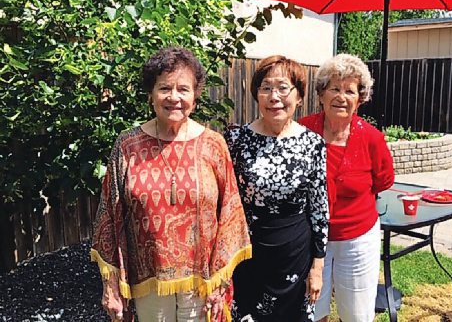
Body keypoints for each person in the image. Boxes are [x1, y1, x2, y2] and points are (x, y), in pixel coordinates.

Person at [91, 46, 252, 322]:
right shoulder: (128, 145)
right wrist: (111, 285)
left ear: (196, 96)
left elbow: (231, 214)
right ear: (151, 94)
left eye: (183, 89)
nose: (174, 97)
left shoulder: (214, 144)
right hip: (147, 282)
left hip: (202, 283)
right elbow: (109, 217)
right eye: (165, 88)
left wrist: (220, 282)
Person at [225, 55, 329, 322]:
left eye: (283, 87)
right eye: (266, 87)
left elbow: (319, 207)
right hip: (247, 255)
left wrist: (317, 266)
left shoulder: (313, 144)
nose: (274, 97)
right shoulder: (236, 140)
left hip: (295, 257)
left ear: (299, 96)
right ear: (257, 95)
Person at [299, 54, 395, 322]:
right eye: (334, 88)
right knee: (310, 310)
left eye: (349, 90)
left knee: (356, 312)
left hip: (357, 239)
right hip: (308, 239)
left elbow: (384, 179)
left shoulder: (372, 138)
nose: (341, 96)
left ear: (360, 98)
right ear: (321, 94)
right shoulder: (302, 131)